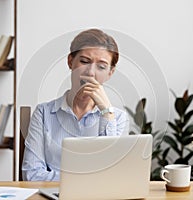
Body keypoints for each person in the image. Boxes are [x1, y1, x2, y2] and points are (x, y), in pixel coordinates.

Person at [22, 28, 128, 181]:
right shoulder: (44, 113)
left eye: (102, 66)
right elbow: (31, 175)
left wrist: (106, 112)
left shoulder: (117, 118)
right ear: (70, 62)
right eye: (84, 61)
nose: (91, 72)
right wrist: (89, 179)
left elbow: (113, 175)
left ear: (110, 73)